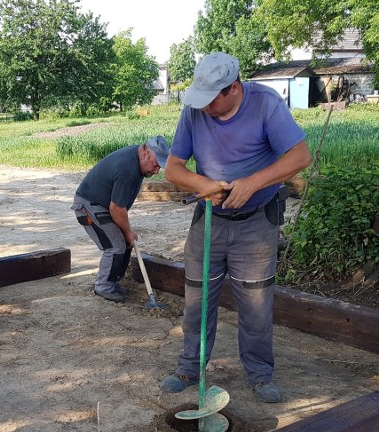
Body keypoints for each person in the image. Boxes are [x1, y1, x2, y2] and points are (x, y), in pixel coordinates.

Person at [159, 52, 311, 403]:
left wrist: (252, 183)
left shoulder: (266, 105)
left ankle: (259, 374)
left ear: (233, 89)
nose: (205, 108)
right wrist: (201, 185)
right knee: (197, 298)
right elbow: (173, 169)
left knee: (256, 301)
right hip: (209, 218)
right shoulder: (194, 110)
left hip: (257, 220)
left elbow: (300, 156)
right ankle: (189, 367)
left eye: (211, 100)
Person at [71, 136, 170, 302]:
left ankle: (113, 282)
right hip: (88, 206)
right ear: (146, 153)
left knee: (125, 243)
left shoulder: (136, 160)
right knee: (116, 245)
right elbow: (116, 208)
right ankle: (104, 287)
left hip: (101, 205)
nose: (156, 170)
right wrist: (128, 231)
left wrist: (127, 233)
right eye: (155, 164)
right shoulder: (128, 170)